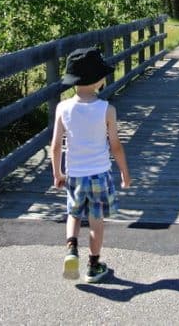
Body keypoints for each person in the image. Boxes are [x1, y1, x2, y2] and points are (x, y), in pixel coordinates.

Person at [50, 47, 132, 283]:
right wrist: (125, 173)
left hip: (74, 174)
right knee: (96, 221)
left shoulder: (63, 108)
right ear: (98, 80)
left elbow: (56, 145)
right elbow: (115, 146)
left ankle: (71, 249)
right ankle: (93, 265)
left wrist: (58, 172)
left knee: (73, 214)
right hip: (99, 174)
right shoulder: (107, 109)